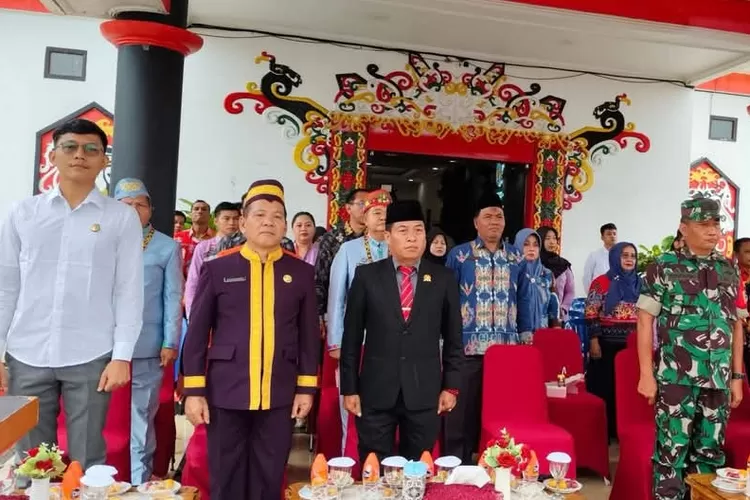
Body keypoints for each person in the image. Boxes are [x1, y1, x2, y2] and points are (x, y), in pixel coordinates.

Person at [0, 118, 143, 468]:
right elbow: (6, 286)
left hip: (91, 354)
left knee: (88, 458)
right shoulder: (23, 213)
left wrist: (122, 356)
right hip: (26, 353)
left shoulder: (121, 218)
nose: (80, 155)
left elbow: (128, 290)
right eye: (70, 147)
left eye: (91, 149)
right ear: (53, 156)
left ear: (104, 160)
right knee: (31, 461)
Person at [182, 179, 319, 500]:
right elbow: (197, 333)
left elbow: (309, 335)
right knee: (225, 474)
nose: (268, 222)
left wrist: (306, 387)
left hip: (279, 390)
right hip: (226, 390)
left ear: (284, 225)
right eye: (259, 215)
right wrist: (194, 391)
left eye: (276, 216)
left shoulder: (300, 273)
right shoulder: (218, 269)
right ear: (243, 222)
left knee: (269, 475)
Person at [637, 197, 745, 500]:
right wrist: (646, 374)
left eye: (716, 224)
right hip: (676, 378)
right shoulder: (662, 266)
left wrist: (737, 376)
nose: (712, 231)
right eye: (703, 224)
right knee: (671, 454)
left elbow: (736, 325)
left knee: (711, 455)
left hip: (718, 379)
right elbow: (644, 321)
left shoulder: (729, 269)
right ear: (684, 228)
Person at [340, 200, 463, 463]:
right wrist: (349, 388)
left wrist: (451, 387)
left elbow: (454, 338)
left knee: (419, 468)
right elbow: (351, 338)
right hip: (375, 390)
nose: (412, 238)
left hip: (424, 392)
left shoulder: (443, 278)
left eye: (418, 231)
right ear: (388, 236)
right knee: (374, 465)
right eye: (403, 231)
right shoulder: (367, 276)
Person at [443, 192, 521, 464]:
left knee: (500, 410)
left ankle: (496, 464)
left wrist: (526, 337)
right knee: (461, 409)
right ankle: (456, 464)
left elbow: (523, 297)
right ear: (476, 222)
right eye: (488, 216)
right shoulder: (460, 255)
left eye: (499, 216)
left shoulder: (516, 256)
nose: (494, 221)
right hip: (467, 347)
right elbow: (448, 299)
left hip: (505, 349)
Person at [114, 178, 182, 484]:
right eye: (126, 205)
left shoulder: (167, 247)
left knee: (141, 416)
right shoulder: (99, 241)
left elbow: (173, 298)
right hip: (102, 346)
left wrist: (170, 341)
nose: (133, 210)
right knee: (101, 418)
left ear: (150, 210)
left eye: (140, 205)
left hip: (146, 346)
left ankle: (139, 481)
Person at [327, 189, 392, 456]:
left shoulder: (398, 249)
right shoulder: (348, 250)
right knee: (352, 405)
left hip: (391, 344)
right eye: (376, 212)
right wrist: (336, 341)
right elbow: (336, 298)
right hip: (357, 342)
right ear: (364, 217)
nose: (382, 217)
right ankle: (350, 462)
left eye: (387, 213)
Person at [584, 242, 640, 439]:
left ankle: (623, 432)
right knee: (605, 388)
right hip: (606, 345)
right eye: (625, 255)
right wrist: (594, 340)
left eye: (633, 256)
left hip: (632, 347)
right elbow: (591, 313)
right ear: (615, 257)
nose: (629, 259)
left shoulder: (640, 284)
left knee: (627, 391)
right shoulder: (601, 282)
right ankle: (603, 433)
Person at [315, 189, 369, 318]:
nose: (366, 208)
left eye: (369, 204)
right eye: (362, 203)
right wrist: (319, 313)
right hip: (339, 310)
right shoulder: (331, 239)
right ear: (348, 208)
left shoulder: (377, 239)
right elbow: (321, 278)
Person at [184, 202, 241, 317]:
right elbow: (193, 281)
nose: (232, 223)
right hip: (208, 304)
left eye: (236, 219)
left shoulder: (245, 247)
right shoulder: (204, 247)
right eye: (226, 218)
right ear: (216, 221)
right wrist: (192, 315)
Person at [514, 228, 560, 342]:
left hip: (542, 334)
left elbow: (553, 304)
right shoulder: (512, 272)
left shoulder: (547, 274)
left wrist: (556, 328)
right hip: (516, 335)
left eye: (535, 245)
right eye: (526, 244)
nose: (531, 248)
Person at [537, 226, 576, 321]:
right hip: (537, 315)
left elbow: (570, 291)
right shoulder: (534, 264)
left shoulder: (563, 264)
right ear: (540, 240)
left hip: (559, 317)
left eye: (554, 238)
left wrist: (563, 308)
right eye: (547, 238)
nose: (552, 242)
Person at [174, 200, 215, 277]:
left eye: (204, 209)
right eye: (196, 209)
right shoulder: (176, 238)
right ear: (190, 215)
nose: (200, 211)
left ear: (209, 216)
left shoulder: (217, 238)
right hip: (181, 282)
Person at [582, 223, 618, 291]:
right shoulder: (594, 255)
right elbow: (587, 278)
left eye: (614, 234)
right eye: (609, 234)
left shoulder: (622, 256)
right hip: (598, 294)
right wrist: (591, 295)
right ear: (602, 237)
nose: (612, 236)